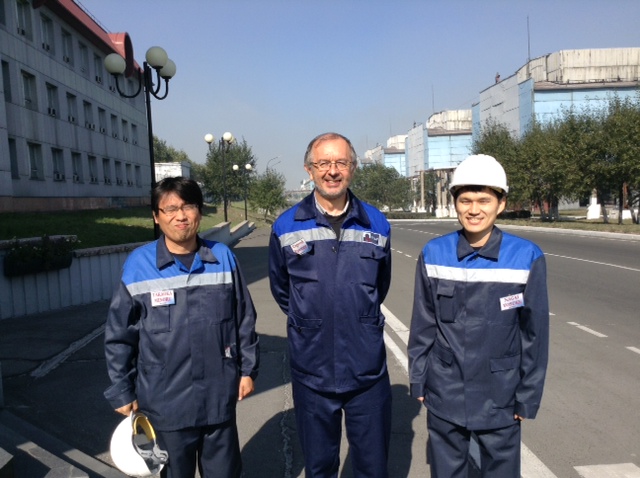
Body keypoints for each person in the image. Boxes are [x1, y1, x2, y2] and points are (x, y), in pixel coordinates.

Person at [104, 177, 259, 478]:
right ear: (156, 216)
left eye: (188, 206)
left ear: (199, 211)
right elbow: (119, 334)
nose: (181, 216)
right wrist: (122, 390)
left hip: (218, 398)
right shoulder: (139, 265)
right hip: (164, 404)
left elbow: (244, 318)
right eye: (170, 209)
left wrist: (248, 370)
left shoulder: (222, 257)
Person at [408, 154, 549, 477]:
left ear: (501, 204)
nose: (474, 210)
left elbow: (535, 334)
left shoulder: (526, 256)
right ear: (455, 203)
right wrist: (419, 378)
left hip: (501, 394)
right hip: (445, 391)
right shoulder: (434, 253)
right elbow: (423, 324)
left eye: (484, 200)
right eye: (466, 200)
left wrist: (527, 396)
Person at [269, 132, 392, 478]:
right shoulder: (286, 226)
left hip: (366, 371)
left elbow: (380, 286)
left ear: (353, 167)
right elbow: (282, 290)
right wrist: (312, 319)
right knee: (319, 467)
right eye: (323, 163)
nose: (332, 171)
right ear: (309, 169)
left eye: (341, 162)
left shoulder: (377, 224)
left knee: (372, 467)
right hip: (312, 370)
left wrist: (357, 317)